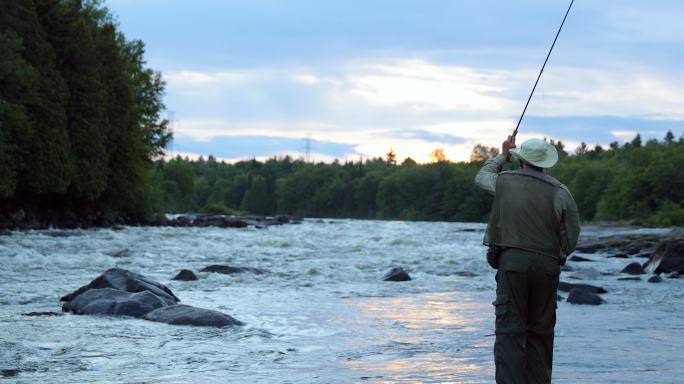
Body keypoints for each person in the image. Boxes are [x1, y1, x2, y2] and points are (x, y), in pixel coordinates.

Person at [474, 135, 580, 384]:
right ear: (545, 163)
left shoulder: (504, 182)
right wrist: (558, 256)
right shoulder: (560, 191)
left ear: (521, 161)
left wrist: (503, 155)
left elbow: (481, 177)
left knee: (510, 333)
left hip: (512, 266)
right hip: (547, 266)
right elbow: (572, 234)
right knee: (541, 335)